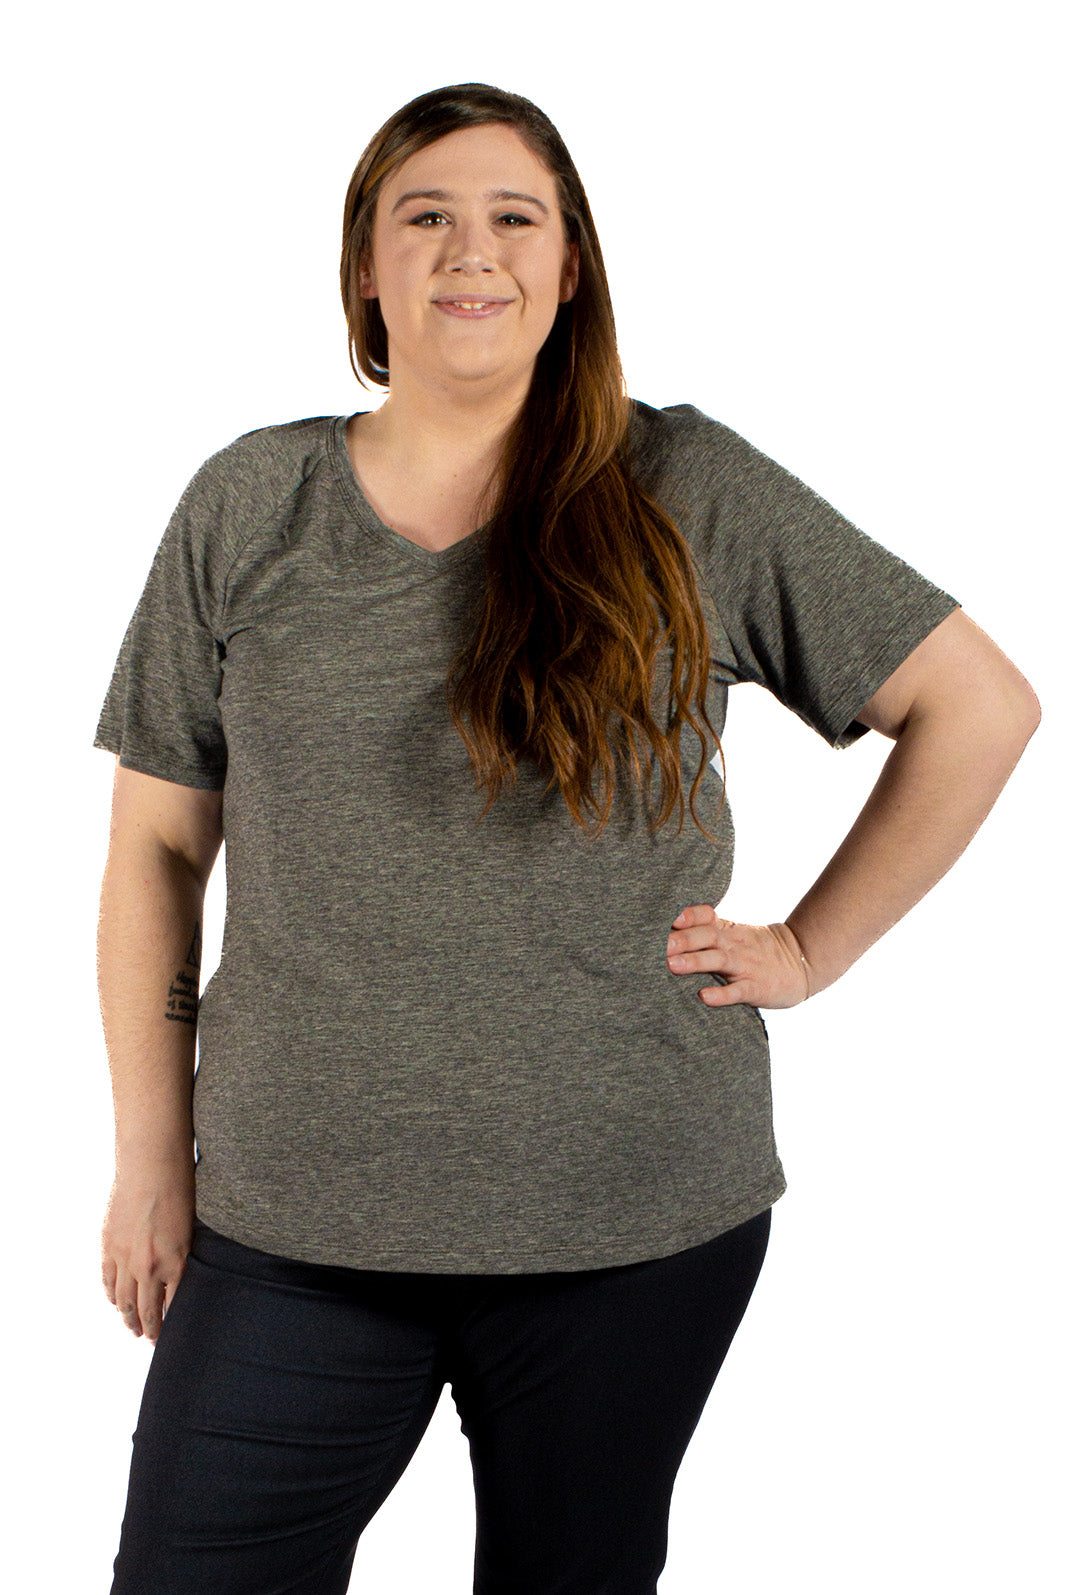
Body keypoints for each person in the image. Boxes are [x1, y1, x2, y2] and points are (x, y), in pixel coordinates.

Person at [94, 81, 1040, 1595]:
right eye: (425, 218)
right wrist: (152, 1158)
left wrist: (811, 949)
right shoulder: (251, 501)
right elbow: (155, 847)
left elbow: (978, 704)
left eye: (513, 219)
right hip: (288, 1221)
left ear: (570, 263)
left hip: (629, 1222)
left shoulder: (685, 488)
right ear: (366, 268)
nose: (472, 252)